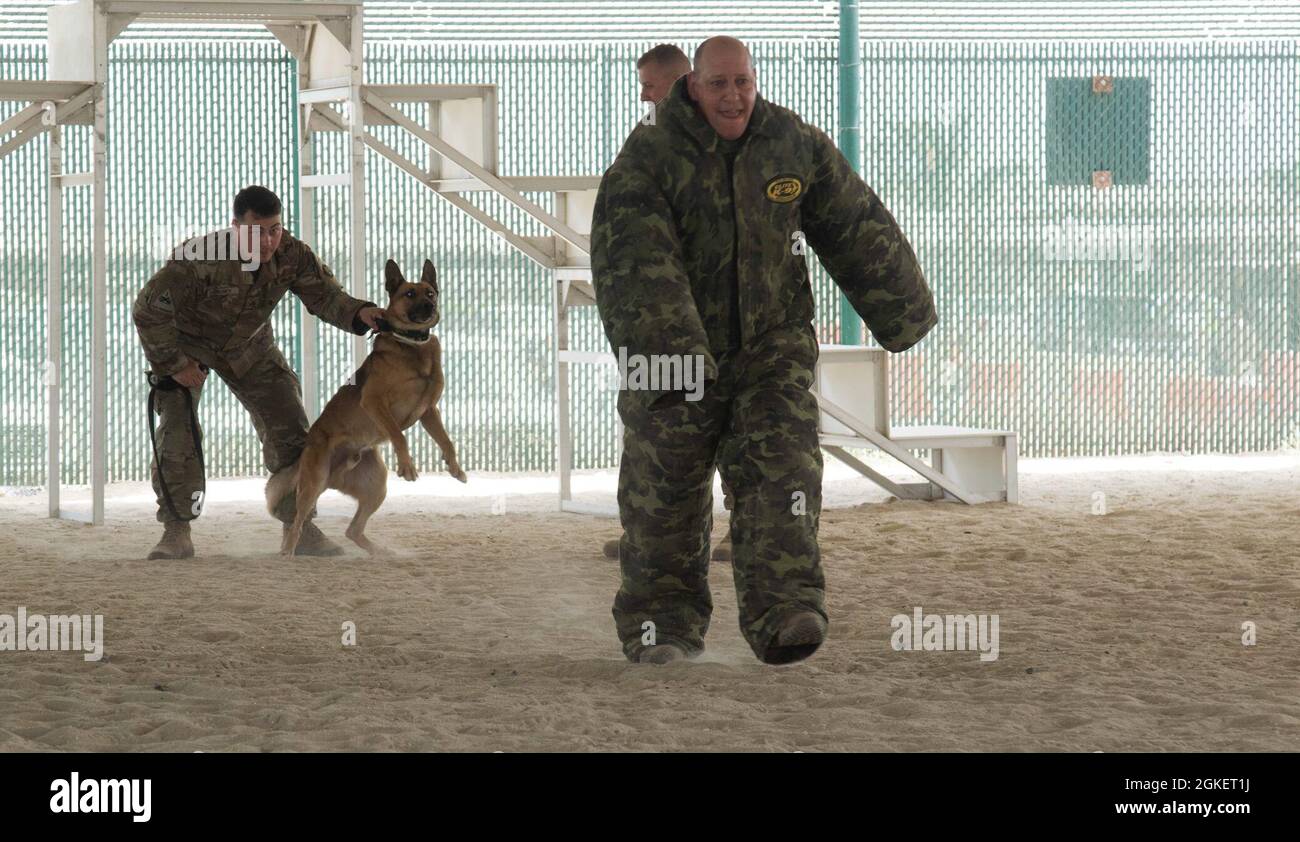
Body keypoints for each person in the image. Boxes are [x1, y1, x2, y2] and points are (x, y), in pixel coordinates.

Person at [591, 36, 937, 665]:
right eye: (719, 84)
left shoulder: (789, 142)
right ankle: (661, 628)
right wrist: (674, 359)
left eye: (743, 82)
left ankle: (785, 614)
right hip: (673, 353)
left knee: (784, 471)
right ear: (692, 87)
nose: (733, 96)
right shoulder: (649, 157)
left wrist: (903, 309)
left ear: (755, 81)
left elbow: (853, 221)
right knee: (664, 489)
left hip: (772, 346)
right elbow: (636, 263)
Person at [132, 185, 385, 559]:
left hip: (250, 347)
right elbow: (148, 309)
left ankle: (300, 525)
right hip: (188, 347)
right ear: (236, 226)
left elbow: (327, 296)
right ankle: (176, 531)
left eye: (275, 229)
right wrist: (173, 365)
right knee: (177, 430)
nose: (267, 241)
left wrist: (360, 313)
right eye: (257, 231)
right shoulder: (198, 256)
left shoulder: (292, 255)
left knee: (290, 424)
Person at [602, 42, 737, 563]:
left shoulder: (718, 146)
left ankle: (734, 533)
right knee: (658, 433)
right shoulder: (652, 146)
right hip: (662, 323)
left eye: (649, 86)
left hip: (709, 324)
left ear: (682, 84)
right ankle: (648, 535)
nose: (643, 96)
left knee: (722, 432)